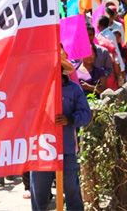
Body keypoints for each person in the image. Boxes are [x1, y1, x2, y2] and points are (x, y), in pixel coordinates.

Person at [30, 68, 92, 211]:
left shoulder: (74, 89)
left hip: (67, 149)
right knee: (39, 193)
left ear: (62, 69)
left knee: (72, 190)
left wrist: (70, 119)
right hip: (40, 150)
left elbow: (86, 115)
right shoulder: (34, 87)